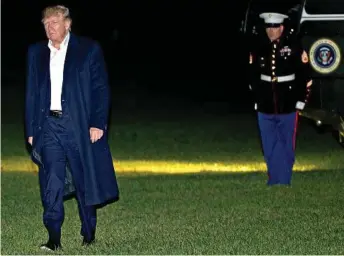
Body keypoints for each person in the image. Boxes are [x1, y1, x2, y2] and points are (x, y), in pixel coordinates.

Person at [25, 5, 119, 251]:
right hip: (49, 127)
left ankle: (89, 234)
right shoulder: (36, 53)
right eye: (45, 23)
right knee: (51, 182)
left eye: (54, 22)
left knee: (83, 180)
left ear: (68, 24)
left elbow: (101, 89)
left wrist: (98, 123)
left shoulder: (88, 50)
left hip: (77, 126)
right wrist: (32, 130)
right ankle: (53, 238)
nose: (49, 28)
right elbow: (32, 94)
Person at [248, 12, 312, 186]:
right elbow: (253, 76)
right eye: (268, 27)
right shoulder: (259, 47)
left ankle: (283, 179)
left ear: (281, 28)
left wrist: (301, 100)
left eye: (275, 27)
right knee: (269, 144)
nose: (271, 30)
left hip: (288, 102)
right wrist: (256, 98)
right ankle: (273, 178)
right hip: (265, 103)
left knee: (285, 143)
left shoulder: (294, 47)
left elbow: (304, 76)